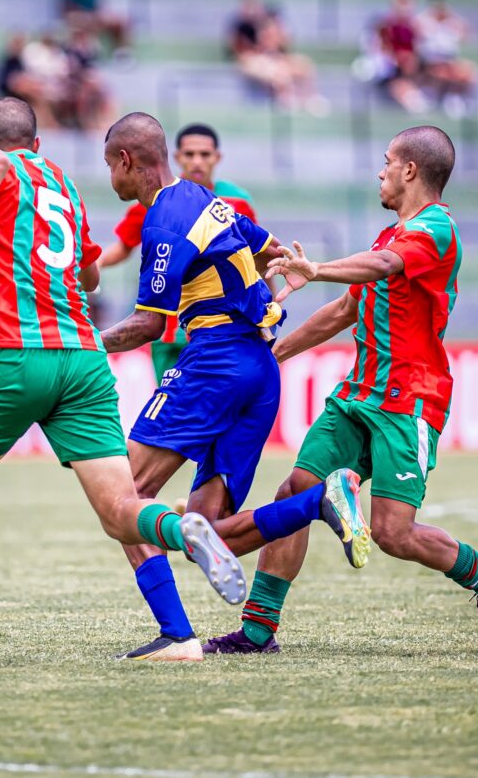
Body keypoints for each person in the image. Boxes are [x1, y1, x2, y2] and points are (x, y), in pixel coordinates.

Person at [0, 97, 249, 652]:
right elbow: (87, 275)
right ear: (40, 146)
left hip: (17, 349)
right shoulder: (63, 185)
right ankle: (179, 538)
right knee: (121, 510)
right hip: (85, 359)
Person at [204, 126, 478, 655]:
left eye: (388, 161)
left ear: (410, 171)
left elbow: (384, 267)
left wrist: (318, 267)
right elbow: (346, 309)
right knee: (295, 492)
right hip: (358, 396)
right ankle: (258, 631)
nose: (381, 171)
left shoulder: (435, 229)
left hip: (410, 402)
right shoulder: (387, 235)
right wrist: (271, 355)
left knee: (393, 534)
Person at [99, 112, 370, 661]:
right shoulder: (211, 202)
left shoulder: (163, 223)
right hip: (259, 366)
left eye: (109, 164)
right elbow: (273, 251)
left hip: (214, 361)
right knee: (210, 531)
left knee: (123, 499)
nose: (110, 176)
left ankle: (175, 636)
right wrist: (271, 284)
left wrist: (77, 341)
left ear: (127, 161)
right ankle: (321, 502)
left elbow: (149, 325)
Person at [99, 123, 259, 382]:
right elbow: (124, 245)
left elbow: (254, 257)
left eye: (204, 155)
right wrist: (93, 264)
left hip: (215, 328)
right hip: (167, 333)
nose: (197, 161)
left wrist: (267, 306)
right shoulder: (154, 200)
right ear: (176, 157)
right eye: (189, 154)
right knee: (172, 410)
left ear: (217, 158)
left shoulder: (236, 202)